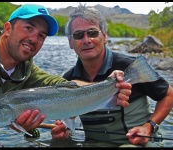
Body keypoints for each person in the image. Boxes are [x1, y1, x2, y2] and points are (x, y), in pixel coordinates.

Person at [0, 4, 132, 147]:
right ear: (8, 28)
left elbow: (63, 85)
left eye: (41, 35)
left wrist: (110, 85)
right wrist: (8, 120)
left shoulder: (25, 69)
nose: (34, 39)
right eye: (29, 28)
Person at [50, 4, 173, 147]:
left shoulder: (131, 67)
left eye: (92, 33)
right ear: (70, 43)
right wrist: (63, 133)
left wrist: (149, 127)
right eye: (78, 35)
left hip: (136, 144)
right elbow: (69, 118)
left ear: (105, 36)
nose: (86, 40)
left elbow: (169, 95)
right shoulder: (69, 79)